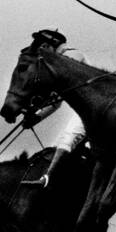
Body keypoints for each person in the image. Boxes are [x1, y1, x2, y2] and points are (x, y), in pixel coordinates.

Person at [20, 32, 88, 189]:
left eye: (42, 47)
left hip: (94, 110)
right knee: (57, 145)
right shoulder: (60, 59)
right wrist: (36, 117)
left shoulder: (73, 55)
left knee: (68, 138)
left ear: (49, 45)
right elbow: (56, 100)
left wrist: (35, 106)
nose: (41, 51)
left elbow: (54, 89)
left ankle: (47, 180)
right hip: (84, 110)